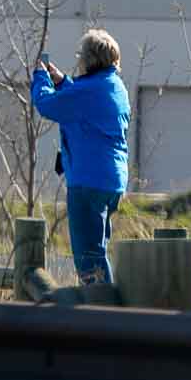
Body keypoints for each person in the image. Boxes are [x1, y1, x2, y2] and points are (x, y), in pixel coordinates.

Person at [32, 29, 132, 284]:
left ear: (90, 59)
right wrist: (63, 81)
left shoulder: (88, 91)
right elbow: (82, 101)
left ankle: (100, 311)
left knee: (88, 256)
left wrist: (41, 77)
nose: (79, 60)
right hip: (111, 181)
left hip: (88, 181)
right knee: (97, 249)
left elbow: (47, 105)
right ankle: (103, 305)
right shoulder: (113, 86)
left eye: (81, 56)